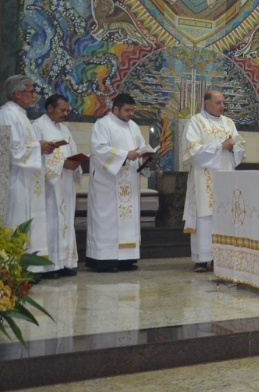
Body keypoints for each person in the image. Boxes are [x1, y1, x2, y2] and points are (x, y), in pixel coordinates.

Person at [87, 93, 151, 273]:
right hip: (107, 183)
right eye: (127, 110)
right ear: (116, 109)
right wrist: (125, 155)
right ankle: (104, 260)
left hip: (129, 181)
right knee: (108, 219)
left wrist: (145, 158)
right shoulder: (103, 125)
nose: (131, 114)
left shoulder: (134, 127)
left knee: (127, 219)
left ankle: (126, 258)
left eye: (133, 110)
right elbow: (98, 150)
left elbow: (140, 149)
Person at [183, 90, 245, 272]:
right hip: (204, 177)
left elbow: (240, 146)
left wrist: (234, 146)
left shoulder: (228, 123)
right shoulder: (196, 122)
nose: (222, 106)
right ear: (207, 103)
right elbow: (192, 150)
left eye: (223, 103)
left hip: (226, 175)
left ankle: (222, 257)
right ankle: (202, 259)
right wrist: (219, 146)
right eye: (218, 103)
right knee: (205, 216)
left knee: (224, 215)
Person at [0, 75, 51, 275]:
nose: (34, 96)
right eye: (30, 92)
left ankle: (28, 268)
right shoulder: (6, 114)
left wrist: (41, 148)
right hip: (16, 180)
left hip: (28, 180)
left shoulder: (21, 115)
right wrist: (39, 146)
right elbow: (10, 150)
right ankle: (14, 269)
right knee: (17, 220)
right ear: (17, 94)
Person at [32, 95, 82, 278]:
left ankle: (64, 262)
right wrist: (62, 164)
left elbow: (72, 151)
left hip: (65, 184)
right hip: (49, 186)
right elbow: (34, 155)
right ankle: (50, 265)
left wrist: (76, 163)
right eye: (62, 110)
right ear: (50, 108)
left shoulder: (64, 129)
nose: (65, 114)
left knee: (66, 221)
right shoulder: (37, 126)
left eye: (67, 110)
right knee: (52, 222)